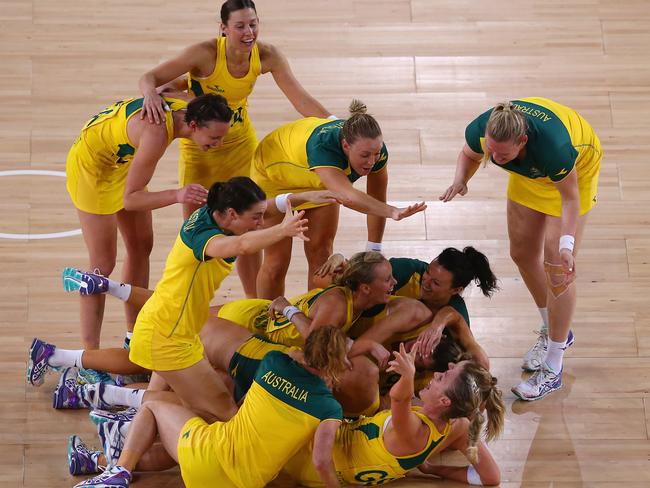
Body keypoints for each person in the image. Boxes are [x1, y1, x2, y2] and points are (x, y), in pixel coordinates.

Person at [139, 0, 334, 296]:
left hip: (242, 148)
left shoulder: (267, 55)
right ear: (223, 28)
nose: (249, 32)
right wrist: (150, 96)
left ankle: (252, 302)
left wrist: (335, 124)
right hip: (200, 154)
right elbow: (149, 78)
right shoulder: (204, 54)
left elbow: (300, 99)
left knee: (251, 226)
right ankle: (190, 305)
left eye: (253, 24)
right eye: (240, 26)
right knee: (198, 234)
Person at [441, 98, 601, 400]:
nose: (496, 158)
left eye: (503, 153)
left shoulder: (553, 149)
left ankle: (553, 367)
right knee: (523, 254)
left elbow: (569, 199)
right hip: (531, 174)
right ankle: (556, 331)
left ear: (523, 140)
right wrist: (461, 180)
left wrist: (567, 245)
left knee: (558, 270)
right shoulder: (483, 130)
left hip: (572, 173)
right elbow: (468, 154)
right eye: (492, 150)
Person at [65, 93, 232, 380]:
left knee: (141, 245)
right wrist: (178, 195)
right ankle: (90, 358)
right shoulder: (156, 134)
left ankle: (133, 335)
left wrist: (152, 88)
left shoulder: (186, 105)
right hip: (92, 170)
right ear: (193, 125)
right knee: (102, 265)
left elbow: (161, 80)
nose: (218, 144)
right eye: (214, 137)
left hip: (120, 163)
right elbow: (131, 200)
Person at [73, 326, 348, 488]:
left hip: (208, 460)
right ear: (339, 363)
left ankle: (118, 470)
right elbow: (322, 462)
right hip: (242, 484)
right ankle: (95, 461)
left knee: (154, 406)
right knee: (196, 427)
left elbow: (293, 354)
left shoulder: (274, 361)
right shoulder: (329, 408)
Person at [251, 100, 426, 298]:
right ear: (345, 145)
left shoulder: (376, 153)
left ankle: (314, 320)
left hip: (321, 183)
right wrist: (393, 211)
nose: (371, 161)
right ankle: (265, 320)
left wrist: (374, 249)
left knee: (322, 256)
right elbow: (347, 196)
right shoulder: (323, 148)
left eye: (376, 153)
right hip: (275, 178)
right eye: (365, 155)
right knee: (277, 262)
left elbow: (376, 198)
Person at [283, 343, 505, 487]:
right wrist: (432, 469)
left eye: (443, 377)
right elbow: (490, 477)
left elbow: (399, 398)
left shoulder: (413, 431)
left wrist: (408, 375)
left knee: (286, 362)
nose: (436, 373)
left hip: (312, 461)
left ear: (445, 401)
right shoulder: (458, 427)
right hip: (330, 452)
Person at [316, 247, 499, 370]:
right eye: (428, 272)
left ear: (456, 290)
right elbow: (362, 272)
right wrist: (341, 260)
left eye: (435, 283)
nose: (425, 282)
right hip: (348, 335)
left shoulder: (456, 312)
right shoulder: (406, 270)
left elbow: (480, 361)